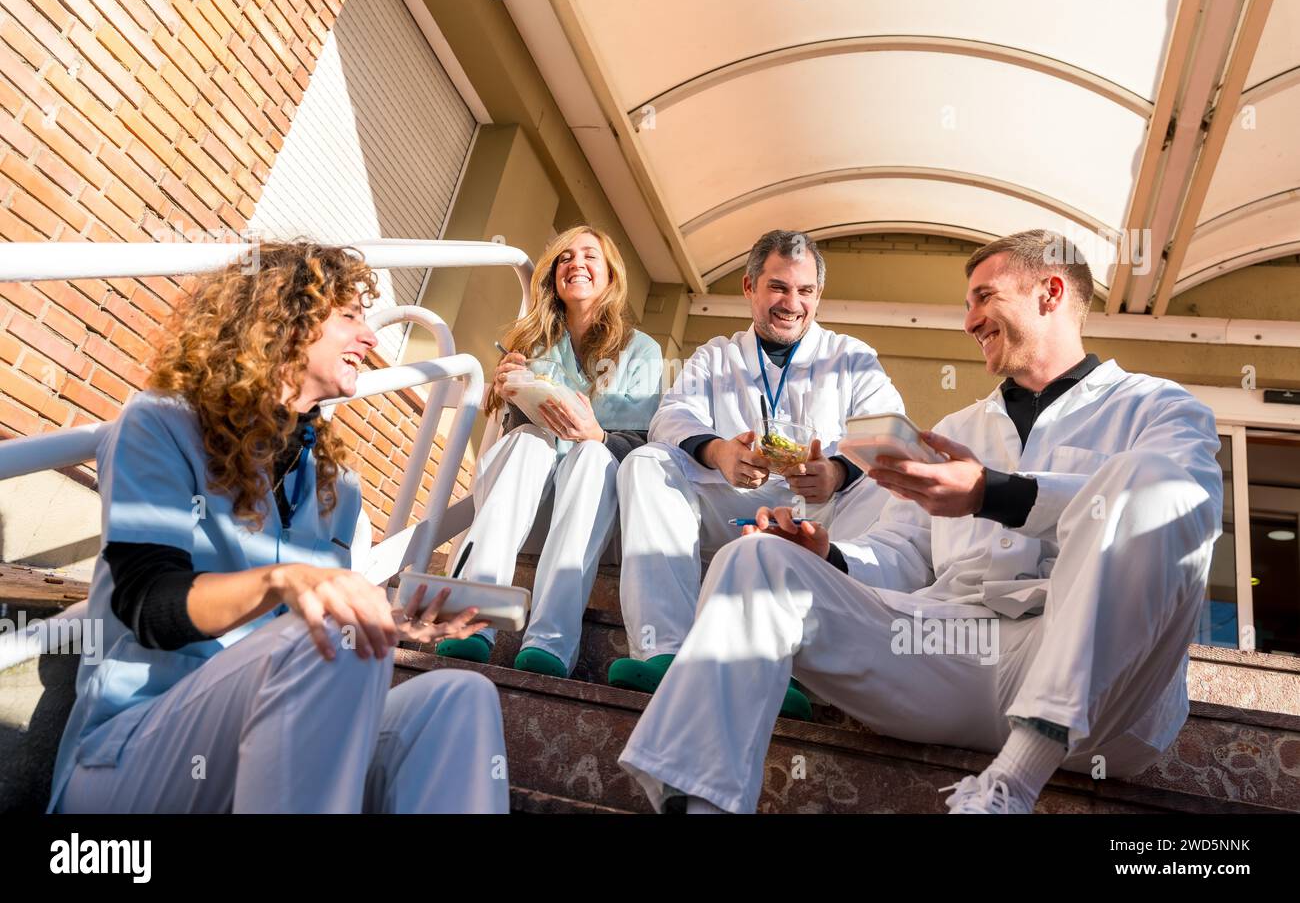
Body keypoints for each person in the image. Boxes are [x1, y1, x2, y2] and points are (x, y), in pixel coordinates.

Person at [616, 229, 1223, 814]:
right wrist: (828, 555)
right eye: (967, 305)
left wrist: (993, 492)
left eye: (985, 297)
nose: (969, 321)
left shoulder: (1159, 407)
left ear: (1051, 293)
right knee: (755, 558)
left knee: (1156, 483)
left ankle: (1012, 781)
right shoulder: (956, 431)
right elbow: (901, 556)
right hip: (947, 647)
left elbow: (1179, 509)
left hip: (1102, 691)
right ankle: (699, 803)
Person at [47, 242, 510, 813]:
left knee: (459, 698)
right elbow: (148, 604)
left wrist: (393, 624)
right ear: (283, 320)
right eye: (349, 316)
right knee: (328, 634)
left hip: (269, 747)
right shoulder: (164, 423)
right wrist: (284, 581)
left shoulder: (335, 485)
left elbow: (305, 638)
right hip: (134, 757)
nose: (371, 339)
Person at [610, 229, 906, 719]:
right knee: (647, 460)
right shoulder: (716, 355)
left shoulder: (851, 356)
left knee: (886, 484)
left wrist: (836, 471)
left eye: (805, 291)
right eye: (778, 287)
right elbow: (670, 415)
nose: (792, 303)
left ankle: (793, 669)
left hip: (819, 508)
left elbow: (890, 430)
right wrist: (719, 452)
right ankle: (663, 651)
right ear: (749, 287)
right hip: (731, 499)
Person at [435, 225, 662, 678]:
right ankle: (471, 620)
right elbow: (519, 425)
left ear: (612, 276)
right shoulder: (530, 341)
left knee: (593, 456)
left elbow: (642, 446)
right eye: (564, 258)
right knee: (528, 445)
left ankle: (551, 642)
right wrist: (508, 390)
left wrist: (597, 435)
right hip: (524, 500)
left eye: (589, 256)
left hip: (590, 505)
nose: (575, 264)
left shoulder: (644, 351)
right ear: (553, 275)